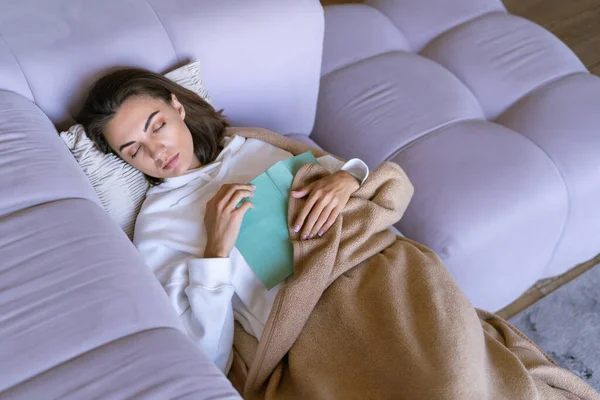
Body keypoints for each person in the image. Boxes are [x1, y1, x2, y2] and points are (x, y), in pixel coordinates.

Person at [78, 68, 370, 372]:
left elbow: (364, 183)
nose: (157, 151)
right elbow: (207, 357)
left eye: (158, 126)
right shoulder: (157, 226)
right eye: (134, 149)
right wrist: (215, 252)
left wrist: (348, 178)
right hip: (320, 325)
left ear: (177, 108)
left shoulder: (250, 145)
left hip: (373, 263)